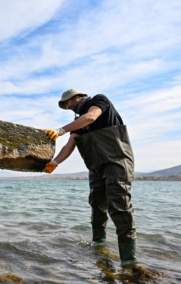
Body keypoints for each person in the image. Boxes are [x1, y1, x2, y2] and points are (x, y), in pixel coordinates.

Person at [44, 89, 138, 267]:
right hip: (96, 167)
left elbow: (91, 117)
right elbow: (70, 145)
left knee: (120, 208)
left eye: (68, 103)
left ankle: (129, 260)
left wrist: (61, 130)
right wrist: (54, 163)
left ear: (77, 97)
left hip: (117, 162)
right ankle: (99, 246)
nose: (68, 107)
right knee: (97, 206)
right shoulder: (77, 122)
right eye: (65, 105)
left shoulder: (99, 101)